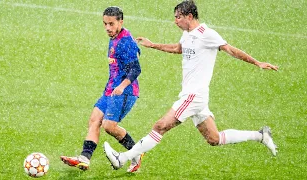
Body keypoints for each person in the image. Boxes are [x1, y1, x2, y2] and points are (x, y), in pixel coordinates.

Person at [103, 0, 278, 171]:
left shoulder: (207, 34)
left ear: (189, 16)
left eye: (178, 17)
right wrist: (153, 44)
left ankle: (123, 158)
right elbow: (178, 49)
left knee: (160, 126)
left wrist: (257, 63)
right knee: (213, 138)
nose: (175, 21)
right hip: (194, 95)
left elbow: (231, 50)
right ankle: (260, 135)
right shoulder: (187, 34)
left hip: (194, 95)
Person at [60, 6, 143, 173]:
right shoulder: (114, 36)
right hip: (110, 89)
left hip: (124, 91)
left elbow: (136, 69)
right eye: (105, 24)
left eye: (111, 24)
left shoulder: (126, 41)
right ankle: (84, 158)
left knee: (109, 126)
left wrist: (121, 86)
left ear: (121, 22)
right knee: (94, 119)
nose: (107, 28)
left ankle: (136, 152)